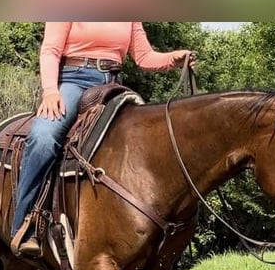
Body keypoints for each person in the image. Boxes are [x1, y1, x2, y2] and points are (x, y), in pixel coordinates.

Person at [10, 22, 196, 257]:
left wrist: (173, 59)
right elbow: (50, 50)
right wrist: (50, 91)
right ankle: (25, 224)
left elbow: (144, 57)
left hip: (113, 86)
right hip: (73, 81)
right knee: (44, 138)